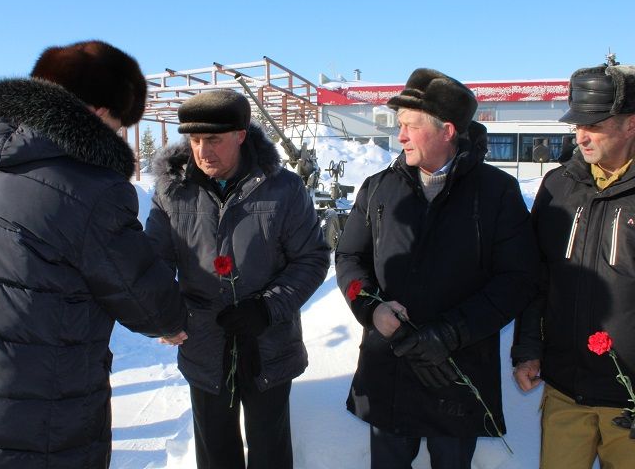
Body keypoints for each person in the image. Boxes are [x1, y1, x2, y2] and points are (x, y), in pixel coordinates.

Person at [0, 40, 184, 468]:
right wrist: (178, 320)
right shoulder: (90, 189)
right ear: (100, 112)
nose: (120, 135)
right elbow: (147, 301)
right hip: (46, 424)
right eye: (121, 124)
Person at [335, 68, 539, 469]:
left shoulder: (495, 192)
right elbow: (349, 259)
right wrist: (371, 308)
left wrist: (451, 332)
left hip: (455, 373)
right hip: (389, 367)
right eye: (400, 127)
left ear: (447, 130)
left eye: (410, 126)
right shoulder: (378, 188)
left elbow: (517, 280)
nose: (401, 137)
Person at [146, 89, 330, 469]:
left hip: (268, 345)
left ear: (241, 135)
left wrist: (267, 307)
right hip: (204, 343)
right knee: (215, 452)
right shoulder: (173, 192)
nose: (202, 151)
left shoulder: (283, 189)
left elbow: (311, 259)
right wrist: (162, 312)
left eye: (213, 139)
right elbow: (154, 264)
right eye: (195, 140)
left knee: (269, 449)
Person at [512, 62, 635, 467]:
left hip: (630, 400)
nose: (581, 135)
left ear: (630, 124)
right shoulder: (558, 186)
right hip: (566, 390)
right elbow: (536, 278)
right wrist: (528, 349)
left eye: (594, 124)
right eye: (577, 124)